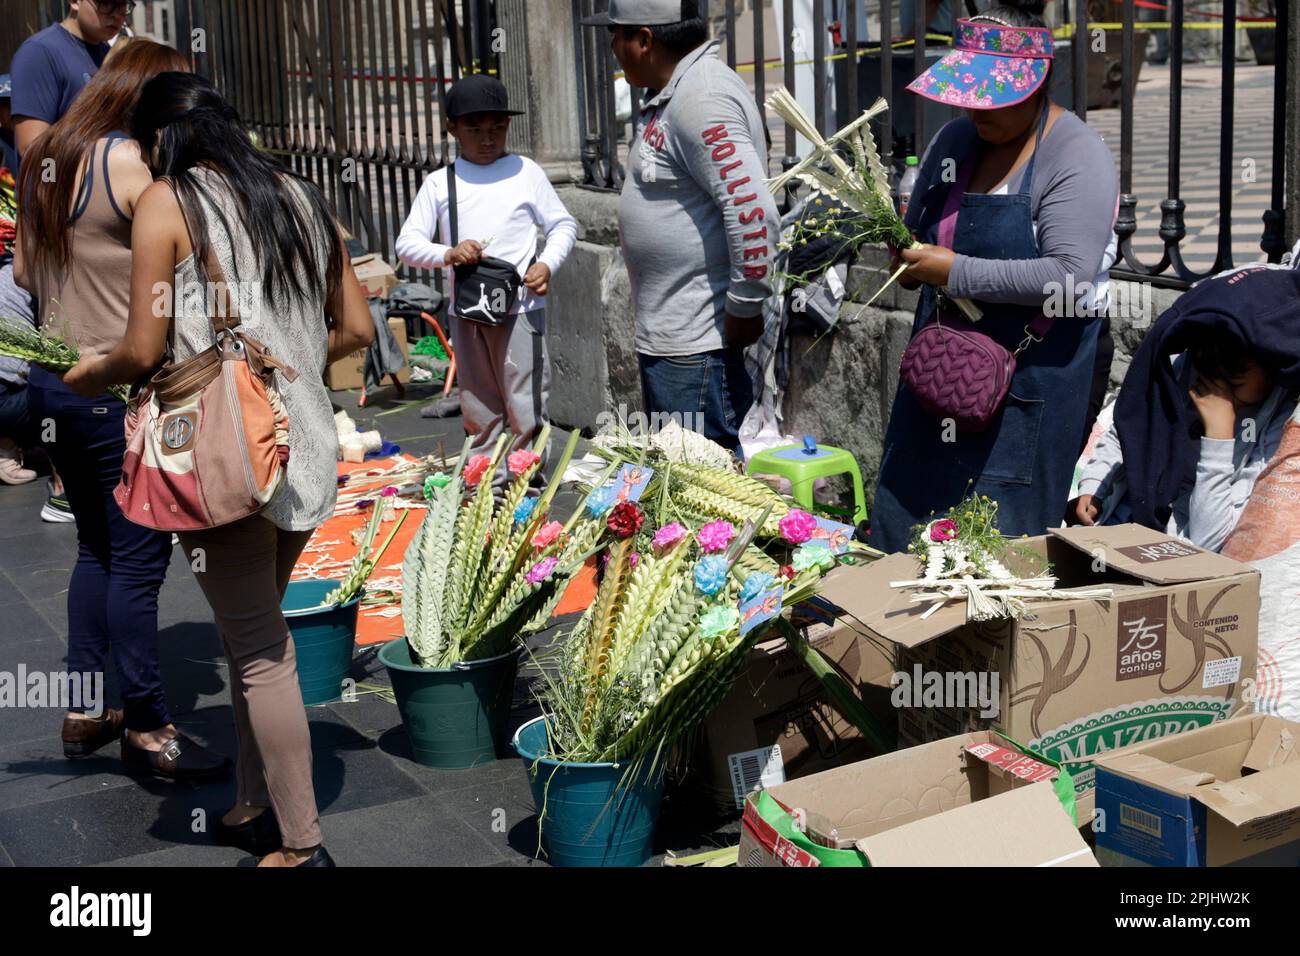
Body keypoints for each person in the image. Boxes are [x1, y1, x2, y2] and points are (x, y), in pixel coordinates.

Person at [64, 72, 374, 867]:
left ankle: (303, 845)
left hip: (225, 460)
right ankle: (251, 801)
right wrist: (285, 357)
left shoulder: (170, 204)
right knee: (252, 638)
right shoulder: (300, 195)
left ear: (162, 138)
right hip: (301, 451)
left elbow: (141, 347)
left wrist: (93, 374)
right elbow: (357, 326)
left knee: (261, 652)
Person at [14, 40, 237, 776]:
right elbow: (193, 252)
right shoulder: (133, 166)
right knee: (138, 564)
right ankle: (148, 723)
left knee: (93, 548)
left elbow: (24, 271)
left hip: (56, 383)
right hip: (117, 385)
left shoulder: (49, 159)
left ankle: (85, 708)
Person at [868, 2, 1119, 553]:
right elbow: (919, 237)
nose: (978, 112)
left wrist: (953, 271)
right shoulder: (954, 144)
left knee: (999, 553)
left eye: (995, 99)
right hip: (940, 377)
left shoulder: (1077, 155)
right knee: (905, 535)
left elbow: (1070, 279)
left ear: (1041, 83)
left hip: (1026, 388)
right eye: (968, 97)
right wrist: (909, 262)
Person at [587, 0, 779, 454]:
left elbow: (753, 211)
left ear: (645, 39)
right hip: (677, 343)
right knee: (681, 490)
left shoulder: (702, 99)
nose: (612, 45)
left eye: (616, 34)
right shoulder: (679, 91)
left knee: (702, 493)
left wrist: (745, 307)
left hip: (698, 350)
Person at [395, 73, 576, 491]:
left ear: (508, 126)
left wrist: (547, 264)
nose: (487, 138)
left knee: (524, 402)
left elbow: (563, 225)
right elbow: (407, 243)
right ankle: (485, 486)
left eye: (496, 128)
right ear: (452, 128)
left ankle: (526, 484)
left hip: (520, 311)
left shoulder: (526, 173)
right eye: (474, 129)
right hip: (468, 311)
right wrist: (448, 253)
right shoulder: (441, 183)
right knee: (477, 403)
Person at [1073, 266, 1300, 553]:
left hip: (1176, 550)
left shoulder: (1276, 424)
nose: (1220, 395)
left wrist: (1219, 435)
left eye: (1236, 383)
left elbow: (1206, 539)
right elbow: (1133, 428)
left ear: (1272, 364)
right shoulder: (1191, 367)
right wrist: (1094, 486)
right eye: (1210, 381)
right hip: (1122, 523)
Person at [10, 0, 129, 157]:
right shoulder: (39, 52)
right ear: (74, 2)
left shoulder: (109, 54)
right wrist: (51, 179)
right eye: (106, 4)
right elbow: (32, 148)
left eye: (123, 6)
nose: (116, 15)